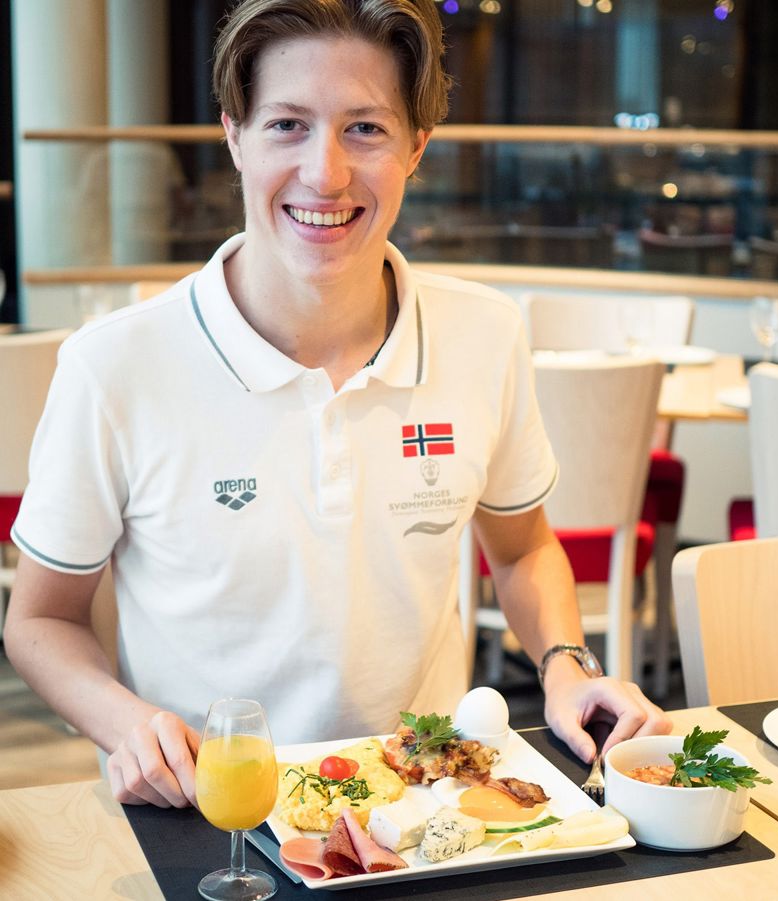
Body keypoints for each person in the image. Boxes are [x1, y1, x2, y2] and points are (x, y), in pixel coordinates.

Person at [4, 0, 670, 811]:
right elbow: (39, 621)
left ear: (416, 148)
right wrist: (129, 724)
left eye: (366, 129)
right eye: (287, 124)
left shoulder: (485, 334)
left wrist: (568, 665)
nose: (325, 172)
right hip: (213, 817)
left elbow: (524, 548)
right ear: (233, 135)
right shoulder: (113, 366)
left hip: (427, 810)